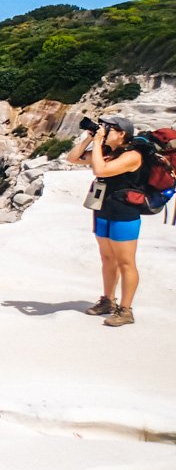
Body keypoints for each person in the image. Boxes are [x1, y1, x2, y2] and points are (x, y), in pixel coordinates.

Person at [66, 115, 142, 327]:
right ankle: (108, 300)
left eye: (110, 129)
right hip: (103, 209)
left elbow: (101, 170)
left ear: (122, 134)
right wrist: (89, 139)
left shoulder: (133, 156)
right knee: (107, 258)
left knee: (126, 262)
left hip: (124, 212)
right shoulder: (107, 153)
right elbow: (72, 158)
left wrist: (99, 143)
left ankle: (126, 310)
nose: (105, 131)